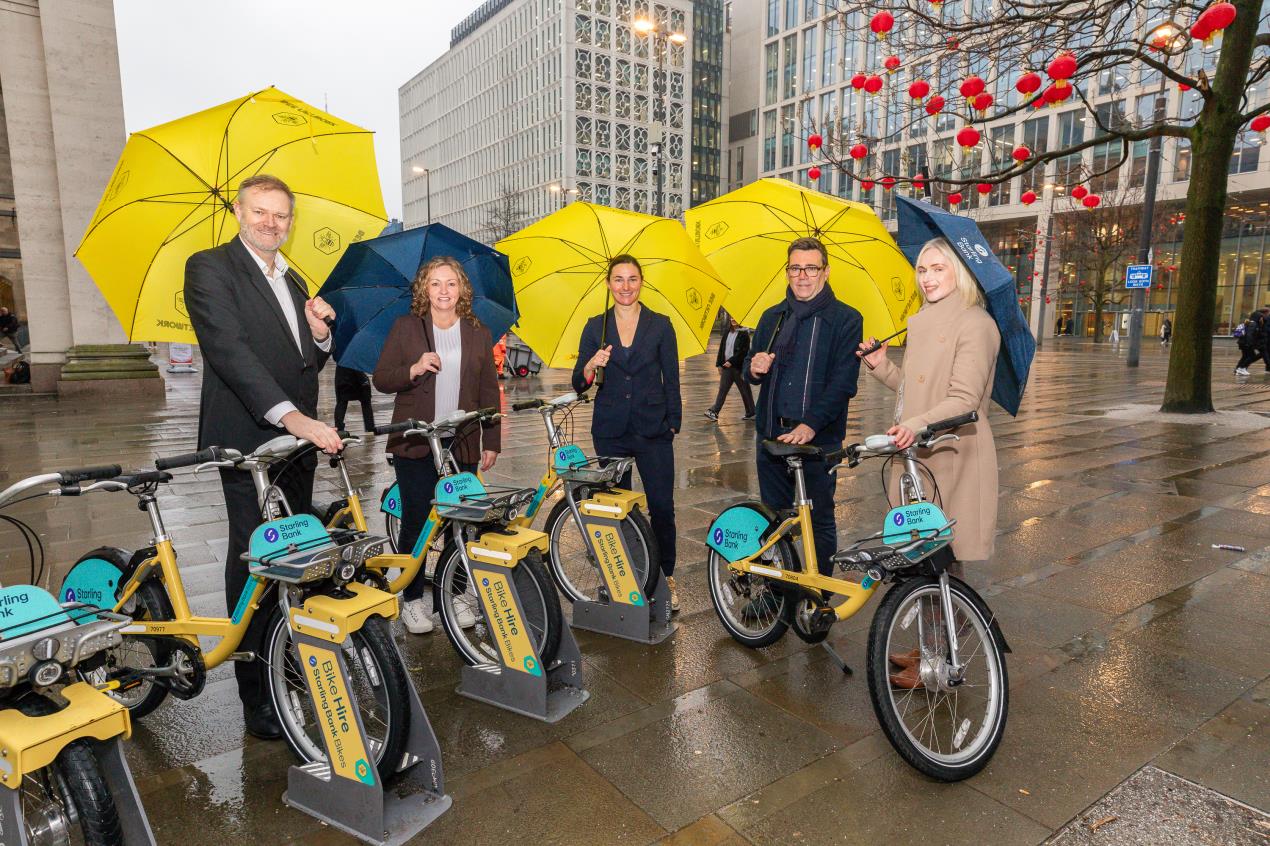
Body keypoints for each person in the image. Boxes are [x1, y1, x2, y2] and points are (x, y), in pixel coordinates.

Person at [184, 174, 341, 740]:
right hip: (247, 438)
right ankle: (256, 692)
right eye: (261, 212)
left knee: (293, 549)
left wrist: (320, 335)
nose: (271, 224)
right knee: (254, 556)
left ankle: (287, 653)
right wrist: (292, 417)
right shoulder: (209, 268)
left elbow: (306, 364)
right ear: (238, 210)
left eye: (281, 216)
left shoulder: (295, 278)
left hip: (296, 445)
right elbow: (229, 351)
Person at [857, 237, 1001, 689]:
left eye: (938, 268)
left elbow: (963, 399)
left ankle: (939, 665)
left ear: (958, 271)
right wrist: (882, 366)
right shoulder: (922, 322)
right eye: (922, 269)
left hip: (952, 453)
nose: (928, 277)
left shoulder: (975, 324)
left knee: (943, 561)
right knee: (925, 559)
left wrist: (914, 425)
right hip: (921, 453)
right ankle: (929, 649)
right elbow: (914, 391)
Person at [373, 256, 500, 634]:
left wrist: (490, 439)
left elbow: (488, 389)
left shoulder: (477, 331)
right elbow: (382, 378)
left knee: (460, 520)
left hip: (460, 440)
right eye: (435, 284)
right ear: (423, 290)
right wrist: (412, 369)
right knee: (416, 520)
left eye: (450, 283)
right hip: (415, 441)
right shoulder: (406, 328)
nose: (443, 291)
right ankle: (411, 600)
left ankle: (456, 595)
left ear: (461, 289)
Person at [746, 236, 863, 576]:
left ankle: (819, 592)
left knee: (820, 520)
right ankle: (773, 590)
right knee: (773, 519)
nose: (802, 275)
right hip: (771, 435)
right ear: (787, 272)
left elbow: (844, 383)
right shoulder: (772, 318)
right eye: (795, 268)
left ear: (825, 272)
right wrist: (754, 368)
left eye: (811, 268)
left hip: (818, 440)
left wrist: (810, 424)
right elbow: (750, 371)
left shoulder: (846, 319)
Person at [572, 255, 683, 610]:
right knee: (618, 508)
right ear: (608, 284)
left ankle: (666, 575)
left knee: (662, 507)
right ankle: (628, 576)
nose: (625, 286)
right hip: (612, 429)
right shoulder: (595, 327)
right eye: (618, 279)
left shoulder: (661, 325)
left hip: (653, 428)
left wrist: (672, 422)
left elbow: (672, 379)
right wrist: (592, 364)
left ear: (641, 282)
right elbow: (579, 383)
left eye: (632, 279)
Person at [704, 316, 755, 422]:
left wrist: (731, 361)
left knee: (745, 390)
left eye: (735, 318)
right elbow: (722, 349)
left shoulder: (744, 334)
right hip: (727, 368)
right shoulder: (727, 332)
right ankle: (714, 411)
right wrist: (719, 364)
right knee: (722, 389)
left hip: (738, 368)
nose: (733, 320)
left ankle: (751, 412)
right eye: (731, 318)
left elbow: (743, 352)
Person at [333, 365, 376, 432]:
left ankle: (338, 426)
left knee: (341, 401)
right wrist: (364, 380)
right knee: (366, 400)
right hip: (356, 377)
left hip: (341, 375)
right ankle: (369, 426)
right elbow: (355, 363)